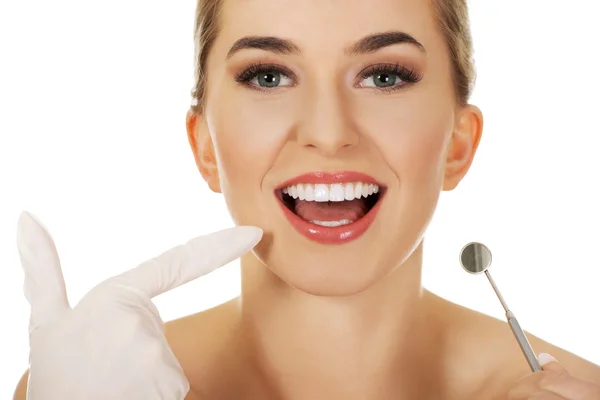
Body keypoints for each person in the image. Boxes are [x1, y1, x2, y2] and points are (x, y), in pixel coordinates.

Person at [13, 0, 600, 398]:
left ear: (458, 144)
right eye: (268, 76)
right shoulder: (91, 384)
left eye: (385, 76)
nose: (326, 129)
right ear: (205, 147)